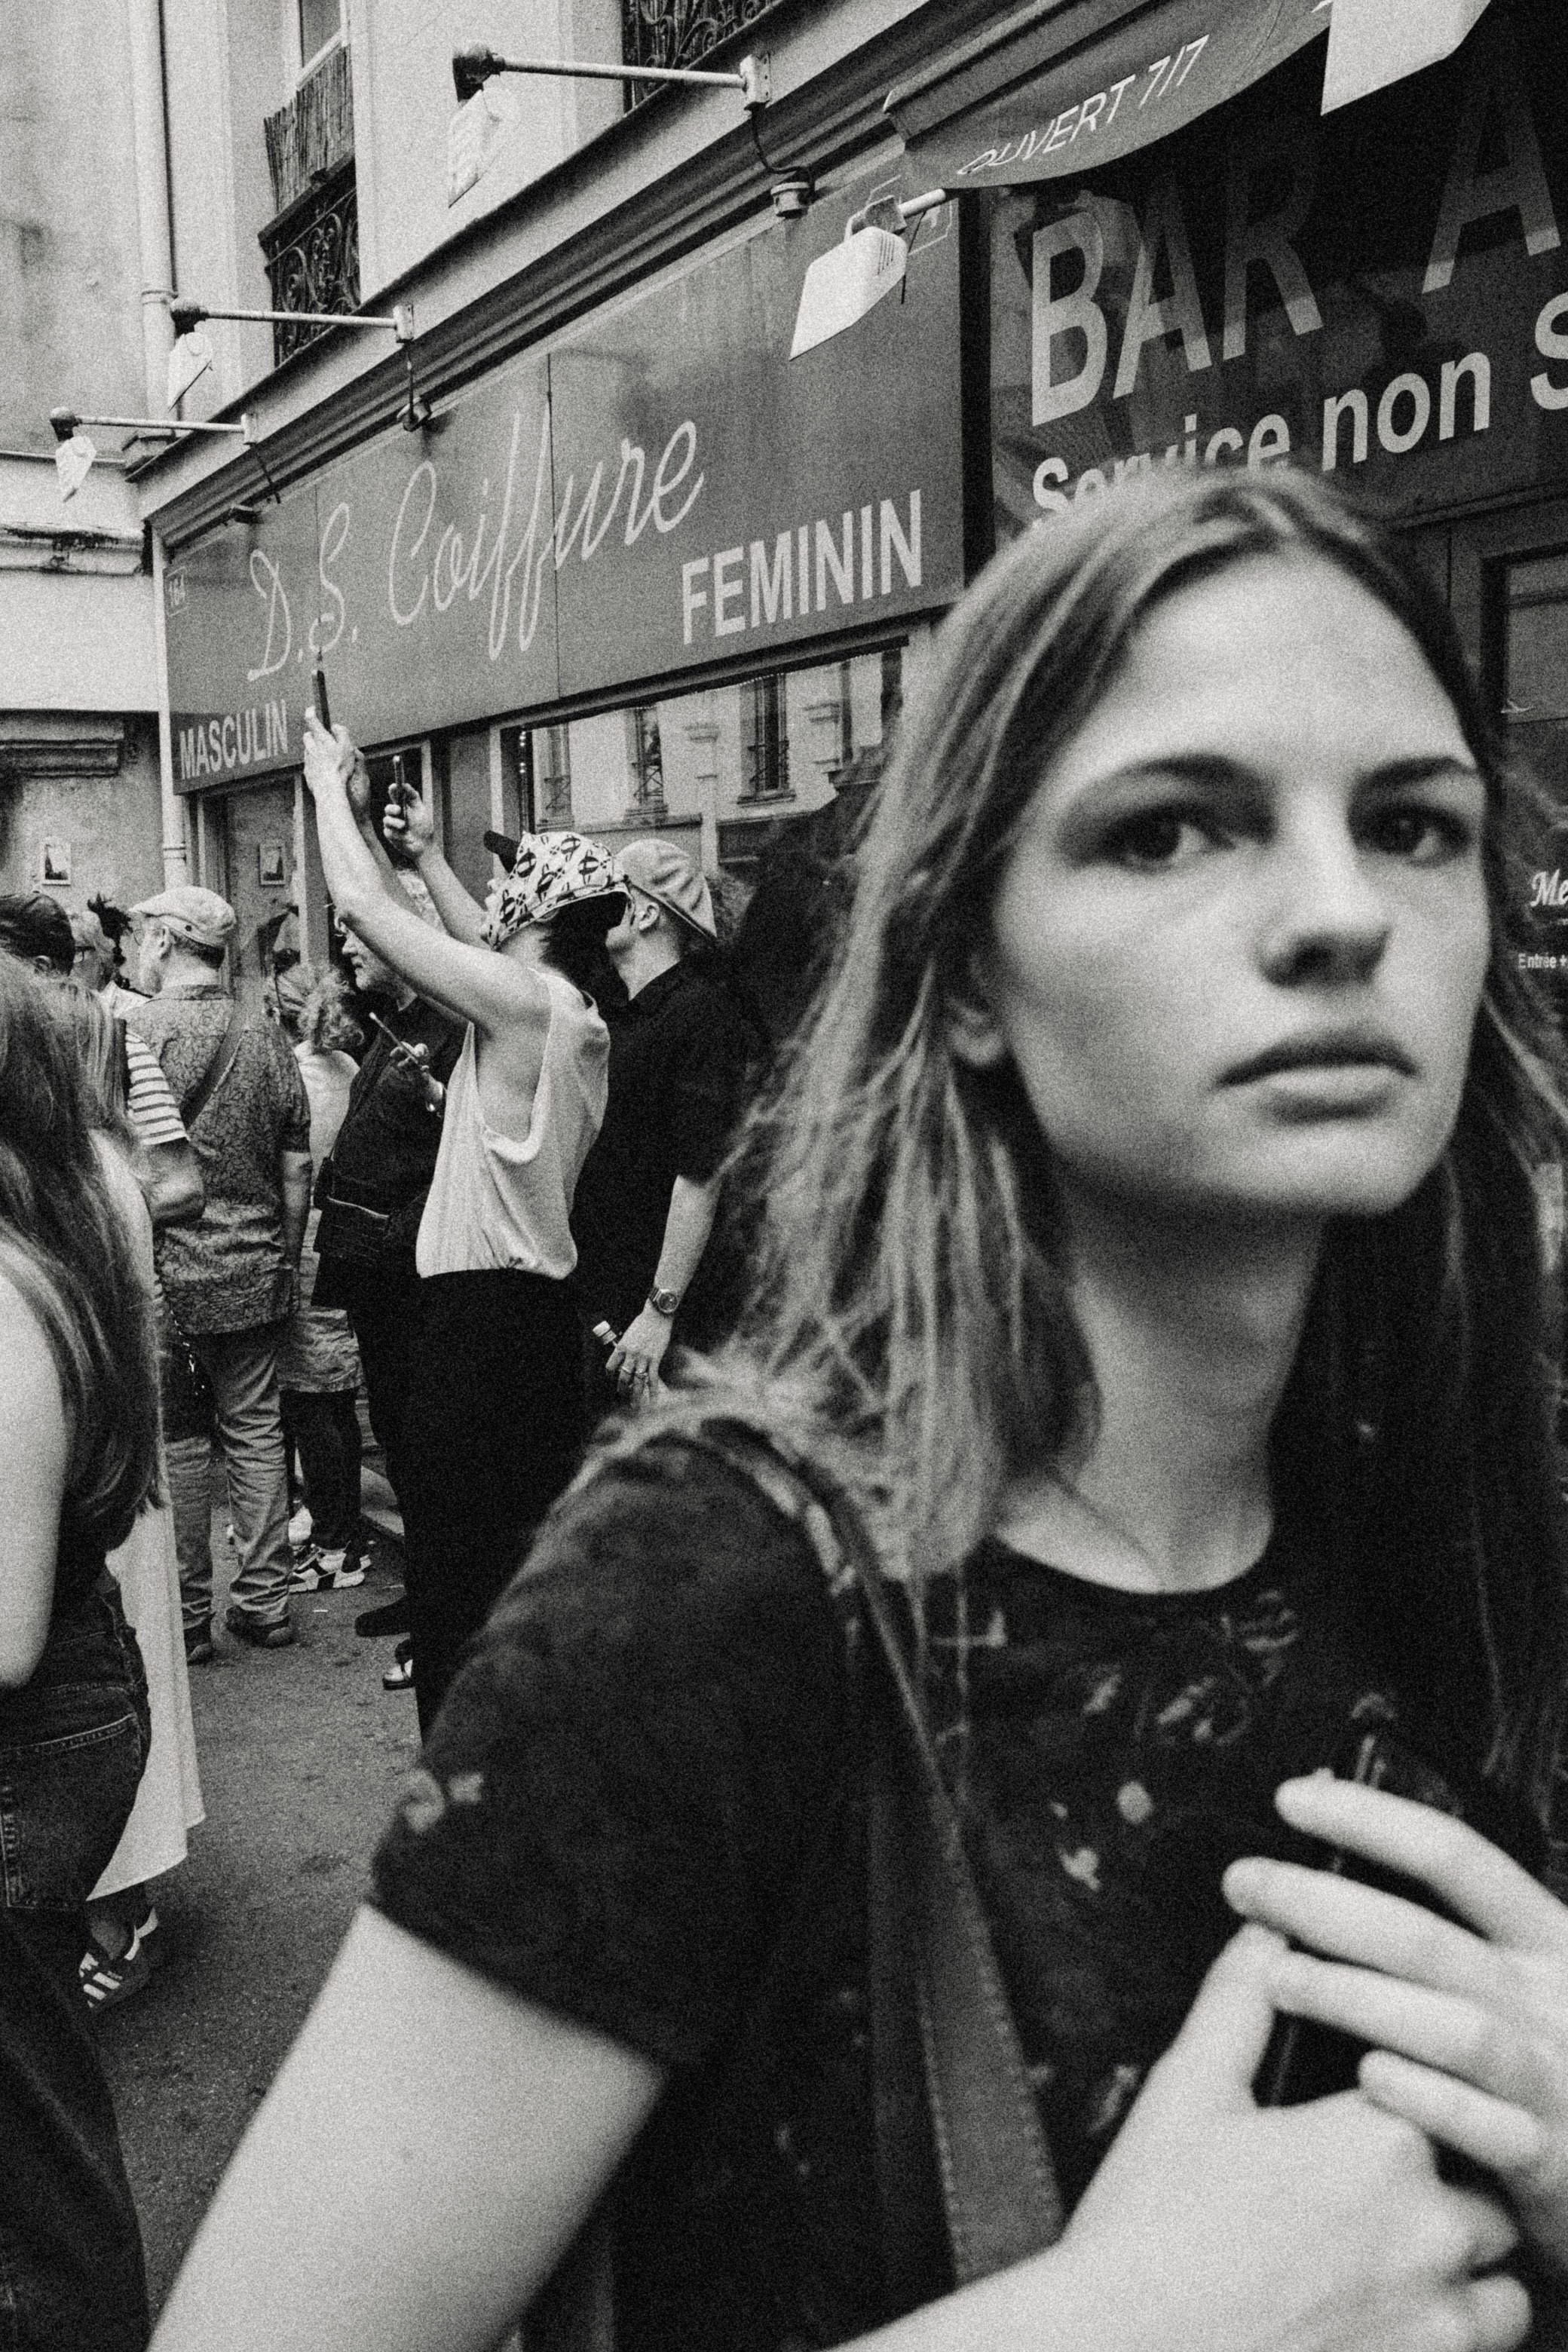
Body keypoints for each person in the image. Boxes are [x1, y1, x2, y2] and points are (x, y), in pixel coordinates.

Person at [152, 469, 1568, 2352]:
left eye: (1410, 821)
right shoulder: (724, 1589)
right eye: (1169, 831)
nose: (1338, 913)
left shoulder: (1487, 1499)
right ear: (966, 970)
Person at [301, 717, 620, 1732]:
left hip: (482, 1332)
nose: (494, 891)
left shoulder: (526, 1004)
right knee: (501, 1578)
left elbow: (361, 907)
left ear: (538, 906)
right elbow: (465, 942)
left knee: (455, 1590)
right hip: (530, 1323)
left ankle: (464, 1805)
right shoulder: (568, 1011)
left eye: (508, 878)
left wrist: (325, 792)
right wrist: (427, 853)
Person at [0, 956, 158, 2348]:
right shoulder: (64, 1228)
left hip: (31, 1736)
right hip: (70, 1705)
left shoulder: (6, 1291)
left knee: (31, 2156)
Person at [41, 987, 205, 2011]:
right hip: (97, 1466)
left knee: (109, 1675)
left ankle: (123, 1913)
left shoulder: (88, 1177)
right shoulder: (86, 1170)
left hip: (96, 1470)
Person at [130, 884, 312, 1652]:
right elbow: (296, 1160)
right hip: (254, 1262)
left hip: (165, 1273)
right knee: (256, 1430)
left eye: (145, 935)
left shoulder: (134, 1033)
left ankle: (188, 1620)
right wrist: (284, 1250)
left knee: (177, 1443)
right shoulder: (263, 1032)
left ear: (169, 942)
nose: (140, 947)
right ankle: (266, 1602)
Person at [569, 836, 758, 1407]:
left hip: (653, 1322)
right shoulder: (611, 1002)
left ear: (646, 911)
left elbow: (699, 1176)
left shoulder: (701, 1016)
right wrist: (427, 856)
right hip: (602, 1301)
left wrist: (659, 1312)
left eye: (609, 895)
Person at [271, 963, 369, 1591]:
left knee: (313, 1403)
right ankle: (338, 1531)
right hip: (347, 1237)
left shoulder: (295, 1076)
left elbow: (293, 1170)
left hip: (304, 1241)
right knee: (334, 1400)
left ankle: (338, 1543)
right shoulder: (351, 1070)